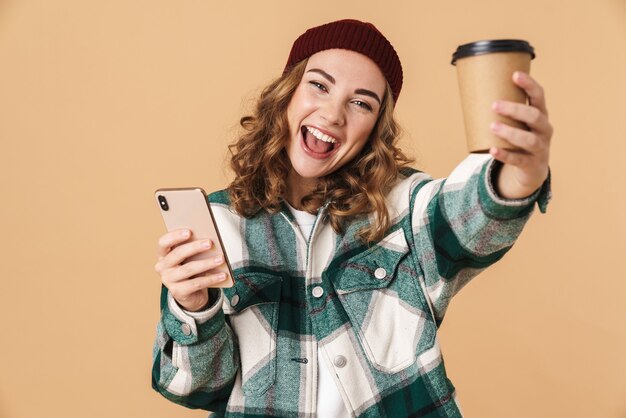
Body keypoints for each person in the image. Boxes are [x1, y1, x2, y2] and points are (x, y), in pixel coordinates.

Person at [151, 19, 552, 417]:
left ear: (376, 127)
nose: (334, 113)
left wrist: (518, 177)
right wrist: (193, 307)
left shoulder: (402, 209)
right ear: (287, 94)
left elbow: (470, 214)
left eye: (361, 103)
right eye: (320, 85)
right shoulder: (220, 223)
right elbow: (195, 387)